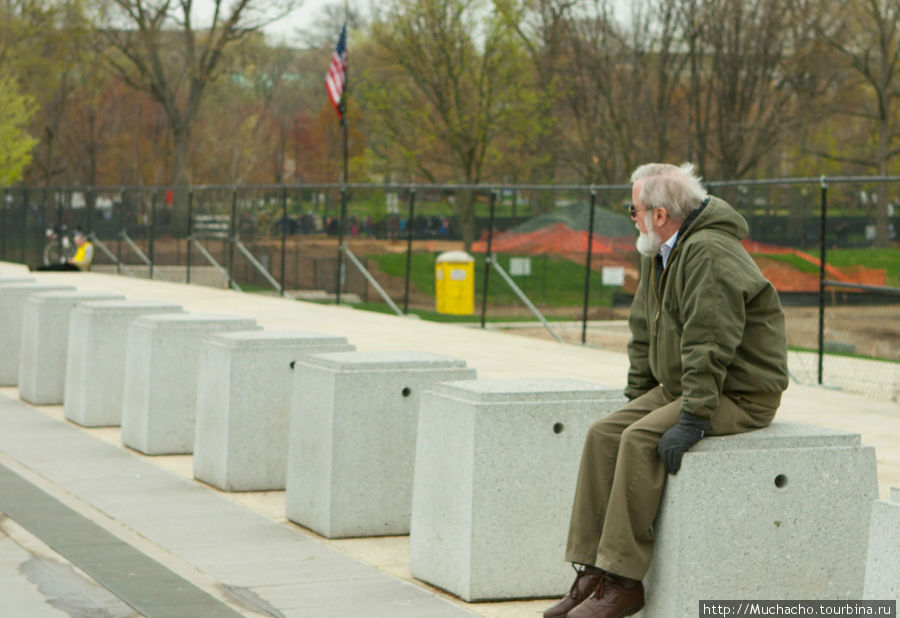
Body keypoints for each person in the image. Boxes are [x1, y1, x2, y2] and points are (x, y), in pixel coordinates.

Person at [544, 163, 788, 618]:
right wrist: (638, 396)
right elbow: (643, 327)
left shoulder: (709, 253)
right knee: (604, 434)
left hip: (737, 393)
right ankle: (592, 570)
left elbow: (708, 340)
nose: (630, 216)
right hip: (682, 385)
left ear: (659, 214)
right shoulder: (659, 249)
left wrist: (694, 419)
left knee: (640, 440)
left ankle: (623, 582)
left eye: (632, 208)